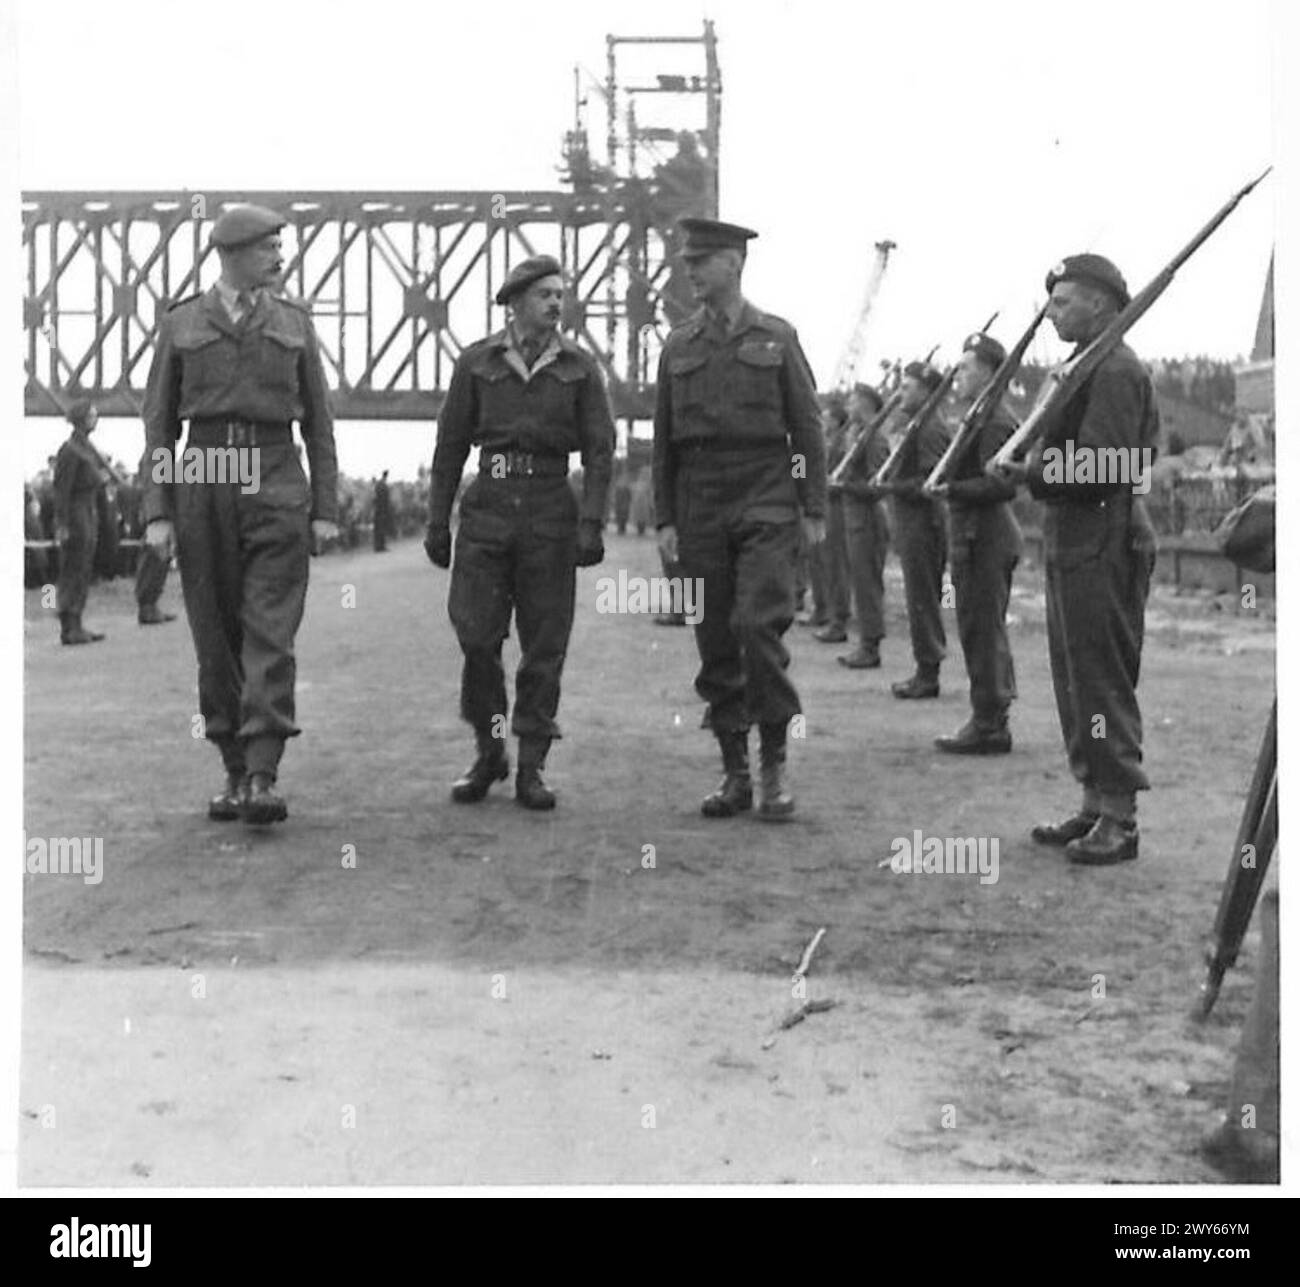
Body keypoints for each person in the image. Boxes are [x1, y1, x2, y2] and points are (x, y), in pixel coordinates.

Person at [141, 203, 340, 826]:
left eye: (279, 248)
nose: (279, 259)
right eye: (267, 248)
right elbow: (159, 428)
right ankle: (232, 767)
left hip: (275, 472)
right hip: (203, 477)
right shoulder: (180, 326)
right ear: (230, 254)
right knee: (214, 636)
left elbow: (320, 423)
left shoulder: (295, 323)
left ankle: (262, 774)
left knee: (270, 631)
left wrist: (325, 508)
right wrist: (158, 511)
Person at [424, 254, 614, 810]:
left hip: (551, 508)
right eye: (544, 295)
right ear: (515, 302)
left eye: (560, 294)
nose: (556, 303)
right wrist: (439, 520)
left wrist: (592, 522)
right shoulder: (476, 363)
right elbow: (450, 445)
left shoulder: (579, 367)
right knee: (477, 636)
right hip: (487, 508)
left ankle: (531, 765)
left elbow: (600, 450)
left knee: (544, 642)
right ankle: (489, 749)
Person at [653, 217, 826, 821]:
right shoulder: (679, 345)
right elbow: (664, 443)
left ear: (734, 263)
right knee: (715, 640)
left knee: (758, 625)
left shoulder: (777, 337)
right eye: (688, 262)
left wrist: (813, 505)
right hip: (700, 503)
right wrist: (666, 518)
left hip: (766, 494)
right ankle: (735, 772)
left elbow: (805, 428)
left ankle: (774, 762)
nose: (691, 271)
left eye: (701, 261)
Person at [1014, 254, 1158, 865]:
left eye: (1064, 301)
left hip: (1102, 538)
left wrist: (1028, 472)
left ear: (1101, 303)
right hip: (1073, 535)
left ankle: (1120, 819)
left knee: (1100, 678)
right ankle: (1095, 801)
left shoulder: (1116, 369)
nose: (1052, 312)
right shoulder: (1082, 368)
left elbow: (1112, 464)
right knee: (1075, 679)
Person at [933, 332, 1021, 752]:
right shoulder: (977, 416)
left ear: (988, 372)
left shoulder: (996, 420)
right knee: (976, 625)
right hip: (973, 534)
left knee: (982, 628)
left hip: (985, 536)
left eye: (966, 367)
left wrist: (950, 490)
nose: (958, 376)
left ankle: (990, 723)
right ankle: (987, 716)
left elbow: (1000, 485)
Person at [888, 360, 951, 698]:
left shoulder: (930, 429)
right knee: (917, 598)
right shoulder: (917, 425)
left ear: (927, 392)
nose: (901, 392)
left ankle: (929, 672)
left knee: (924, 598)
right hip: (911, 521)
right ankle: (924, 667)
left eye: (909, 386)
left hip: (924, 523)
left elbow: (933, 480)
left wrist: (893, 486)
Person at [832, 381, 891, 669]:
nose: (848, 405)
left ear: (866, 404)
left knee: (867, 584)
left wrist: (845, 485)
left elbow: (877, 486)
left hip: (867, 518)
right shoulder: (856, 435)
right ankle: (862, 638)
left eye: (853, 400)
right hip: (853, 515)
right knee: (859, 580)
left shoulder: (875, 440)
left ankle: (870, 645)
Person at [52, 399, 111, 644]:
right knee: (73, 568)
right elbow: (61, 490)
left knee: (83, 568)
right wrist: (62, 524)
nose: (95, 419)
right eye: (92, 415)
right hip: (76, 513)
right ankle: (69, 625)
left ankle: (76, 622)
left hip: (87, 510)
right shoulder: (70, 450)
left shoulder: (86, 448)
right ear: (81, 418)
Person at [811, 395, 852, 644]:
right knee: (815, 560)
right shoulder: (821, 442)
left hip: (835, 505)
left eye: (826, 418)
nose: (822, 422)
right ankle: (821, 607)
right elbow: (801, 464)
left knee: (834, 563)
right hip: (818, 500)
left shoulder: (840, 444)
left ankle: (836, 616)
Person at [372, 469, 391, 551]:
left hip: (378, 509)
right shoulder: (383, 485)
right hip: (382, 510)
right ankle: (381, 547)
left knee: (378, 529)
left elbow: (374, 498)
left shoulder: (378, 484)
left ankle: (378, 547)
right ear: (386, 475)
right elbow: (385, 498)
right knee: (381, 528)